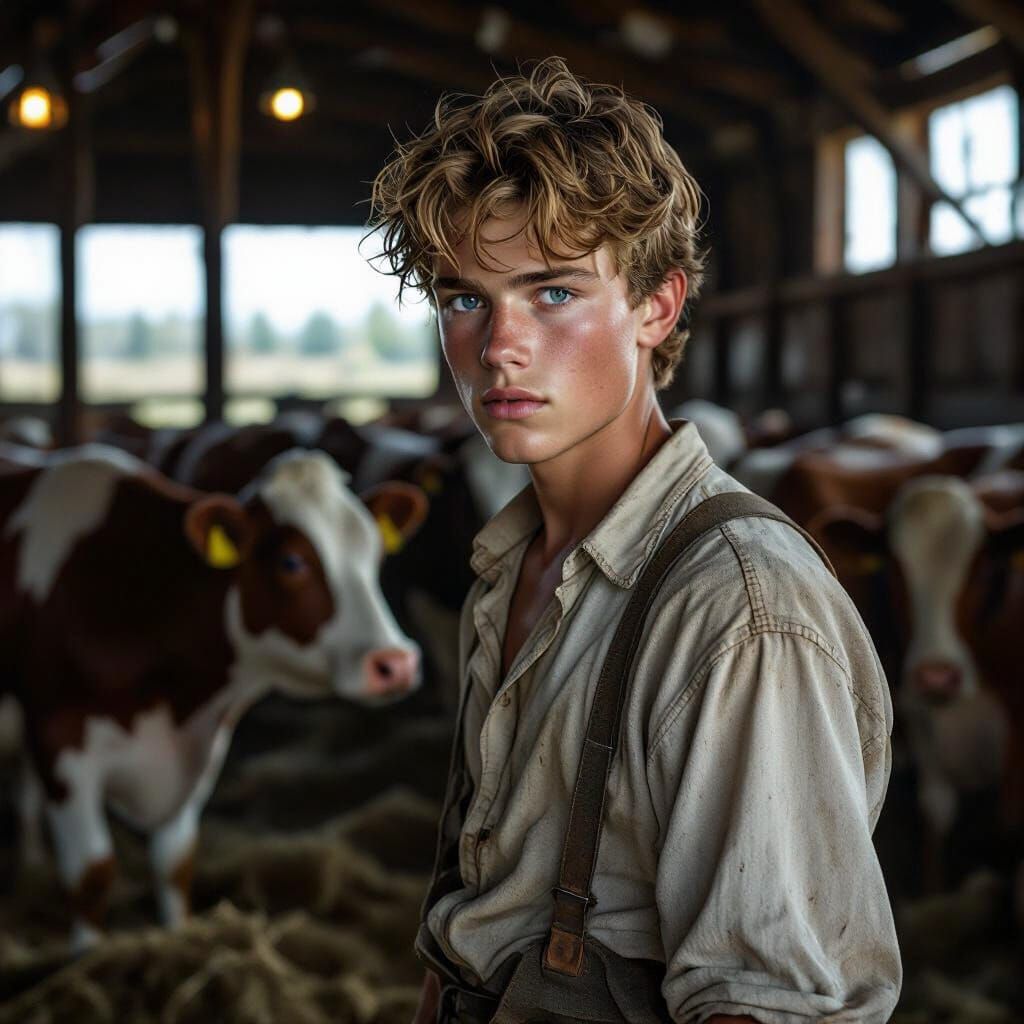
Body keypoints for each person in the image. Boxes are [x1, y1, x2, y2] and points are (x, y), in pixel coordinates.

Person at [369, 57, 901, 1024]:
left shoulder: (738, 609)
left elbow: (763, 1003)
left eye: (553, 293)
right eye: (465, 299)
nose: (499, 347)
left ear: (657, 305)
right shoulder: (508, 564)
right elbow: (483, 913)